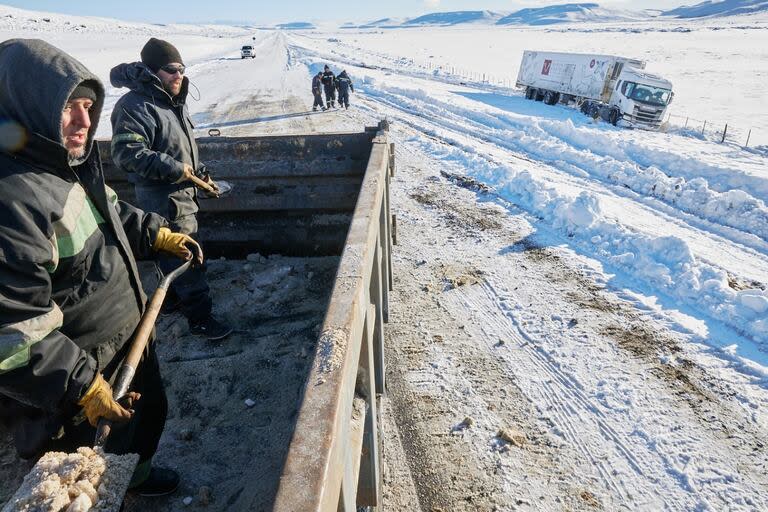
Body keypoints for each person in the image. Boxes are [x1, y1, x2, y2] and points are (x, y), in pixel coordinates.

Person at [0, 38, 201, 496]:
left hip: (125, 339)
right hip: (72, 381)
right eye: (69, 107)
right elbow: (11, 333)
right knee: (85, 475)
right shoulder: (11, 200)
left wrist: (155, 233)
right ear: (29, 105)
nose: (84, 122)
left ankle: (138, 480)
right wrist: (80, 385)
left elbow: (111, 213)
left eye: (89, 107)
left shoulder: (63, 164)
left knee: (146, 420)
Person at [110, 38, 232, 340]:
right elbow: (127, 153)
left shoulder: (172, 103)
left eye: (182, 69)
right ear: (152, 71)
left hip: (184, 196)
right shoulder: (135, 106)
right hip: (164, 201)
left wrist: (200, 174)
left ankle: (174, 300)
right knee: (186, 256)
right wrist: (177, 170)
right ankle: (201, 320)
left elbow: (180, 150)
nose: (178, 75)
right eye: (170, 69)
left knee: (170, 255)